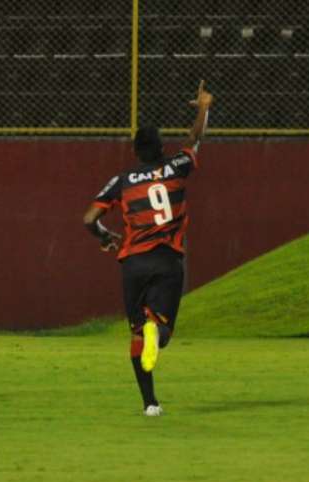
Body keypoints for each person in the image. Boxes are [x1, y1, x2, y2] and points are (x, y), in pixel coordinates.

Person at [83, 81, 214, 416]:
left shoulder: (123, 180)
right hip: (168, 261)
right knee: (162, 332)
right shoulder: (176, 167)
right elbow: (194, 139)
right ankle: (157, 330)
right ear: (161, 147)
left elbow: (89, 219)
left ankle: (150, 403)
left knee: (137, 335)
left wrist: (104, 237)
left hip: (133, 263)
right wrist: (203, 106)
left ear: (135, 152)